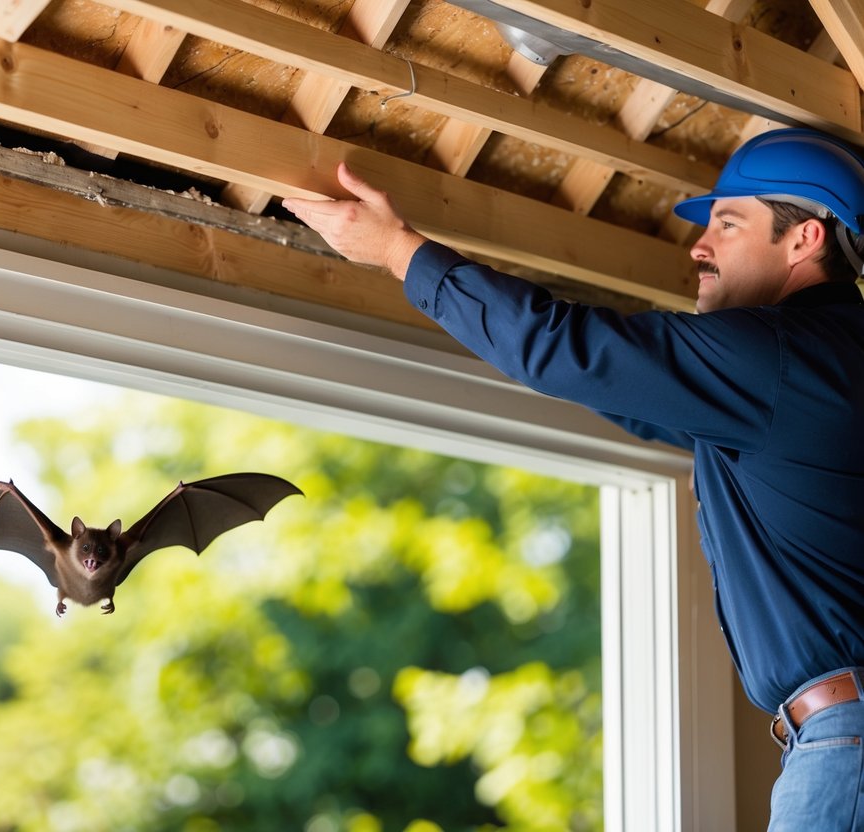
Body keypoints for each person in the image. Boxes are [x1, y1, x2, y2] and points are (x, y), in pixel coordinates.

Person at [284, 127, 864, 830]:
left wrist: (396, 250)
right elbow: (626, 390)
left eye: (727, 224)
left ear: (803, 238)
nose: (698, 246)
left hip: (846, 742)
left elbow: (569, 351)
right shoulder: (821, 370)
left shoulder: (775, 355)